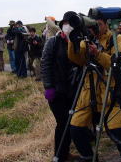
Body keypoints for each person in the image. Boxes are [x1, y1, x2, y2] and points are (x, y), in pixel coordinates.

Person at [68, 15, 121, 162]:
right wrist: (73, 42)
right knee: (76, 127)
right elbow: (77, 60)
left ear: (106, 24)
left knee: (118, 128)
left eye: (98, 24)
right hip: (89, 91)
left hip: (111, 92)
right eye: (91, 25)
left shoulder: (116, 39)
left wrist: (98, 54)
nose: (94, 28)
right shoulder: (87, 40)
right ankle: (88, 156)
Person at [41, 11, 78, 162]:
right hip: (56, 91)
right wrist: (49, 86)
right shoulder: (53, 42)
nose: (67, 27)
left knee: (69, 123)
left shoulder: (76, 42)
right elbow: (45, 64)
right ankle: (59, 155)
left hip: (72, 90)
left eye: (71, 24)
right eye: (65, 24)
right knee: (62, 123)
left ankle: (64, 153)